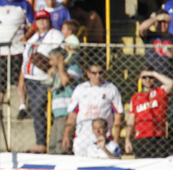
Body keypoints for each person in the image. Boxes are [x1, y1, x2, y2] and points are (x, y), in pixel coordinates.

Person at [19, 10, 64, 153]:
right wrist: (22, 79)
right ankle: (40, 141)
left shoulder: (54, 35)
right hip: (30, 78)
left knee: (38, 108)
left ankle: (43, 142)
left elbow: (62, 53)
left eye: (45, 19)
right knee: (36, 111)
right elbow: (26, 58)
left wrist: (53, 68)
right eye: (39, 19)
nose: (42, 22)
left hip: (44, 79)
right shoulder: (33, 37)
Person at [61, 64, 123, 159]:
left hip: (102, 136)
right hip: (82, 136)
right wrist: (66, 135)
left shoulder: (111, 89)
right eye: (94, 73)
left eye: (100, 73)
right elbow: (72, 115)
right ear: (88, 74)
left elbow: (118, 116)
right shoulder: (80, 89)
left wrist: (116, 139)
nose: (97, 76)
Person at [124, 70, 172, 159]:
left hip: (158, 136)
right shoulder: (135, 97)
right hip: (141, 138)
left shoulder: (159, 92)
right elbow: (131, 119)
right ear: (140, 79)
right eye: (144, 77)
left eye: (150, 78)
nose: (147, 80)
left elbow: (171, 84)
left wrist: (154, 73)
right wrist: (127, 139)